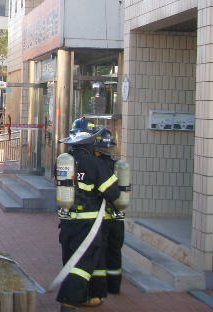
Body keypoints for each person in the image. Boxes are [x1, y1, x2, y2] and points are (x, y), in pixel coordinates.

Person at [55, 121, 120, 312]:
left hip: (66, 222)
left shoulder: (63, 160)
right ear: (90, 141)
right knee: (82, 264)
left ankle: (82, 297)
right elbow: (113, 192)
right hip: (87, 223)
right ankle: (69, 302)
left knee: (71, 260)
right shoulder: (94, 163)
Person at [89, 128, 125, 298]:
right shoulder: (117, 164)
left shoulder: (97, 166)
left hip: (102, 218)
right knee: (115, 251)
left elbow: (103, 191)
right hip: (117, 218)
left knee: (100, 253)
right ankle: (114, 286)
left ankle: (99, 289)